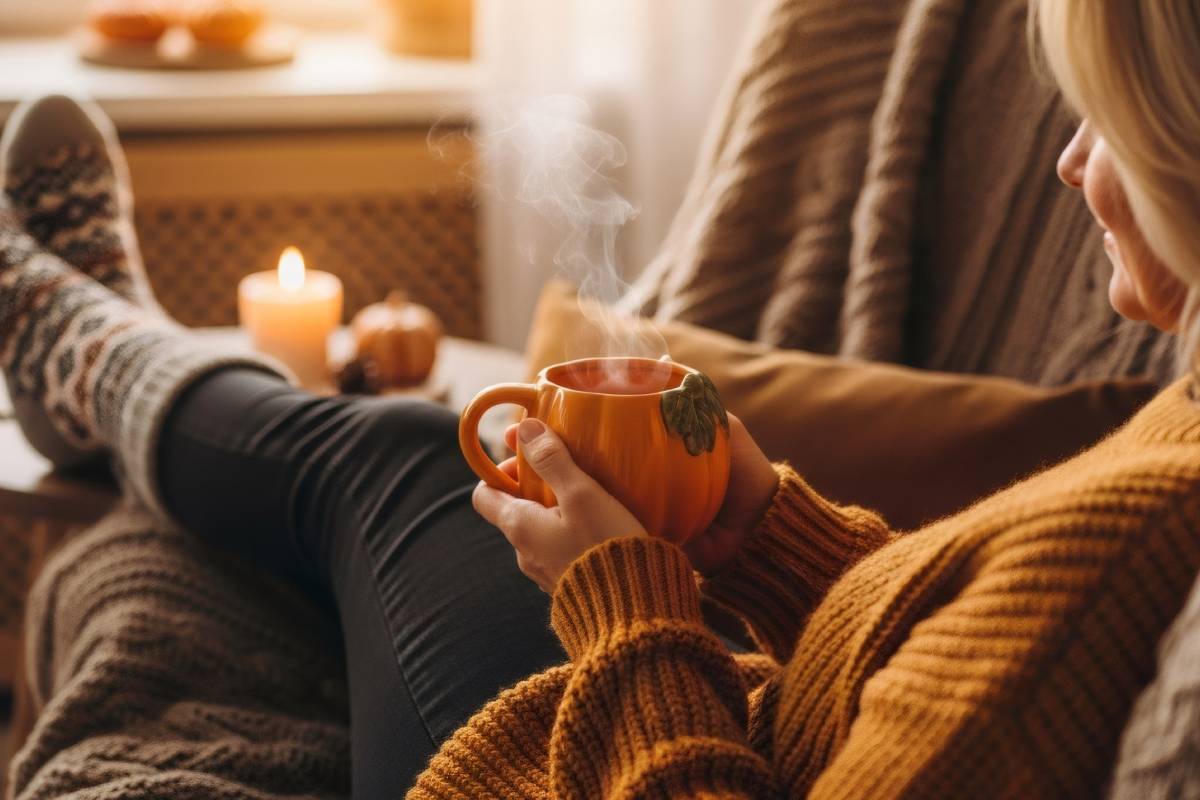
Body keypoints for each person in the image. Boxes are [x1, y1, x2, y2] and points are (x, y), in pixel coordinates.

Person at [2, 1, 1199, 797]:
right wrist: (773, 541)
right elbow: (951, 662)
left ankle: (100, 354)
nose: (1069, 162)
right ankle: (111, 357)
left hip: (635, 748)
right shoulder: (1180, 428)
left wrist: (622, 601)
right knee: (415, 457)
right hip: (707, 710)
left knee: (400, 462)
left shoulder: (1168, 509)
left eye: (1103, 115)